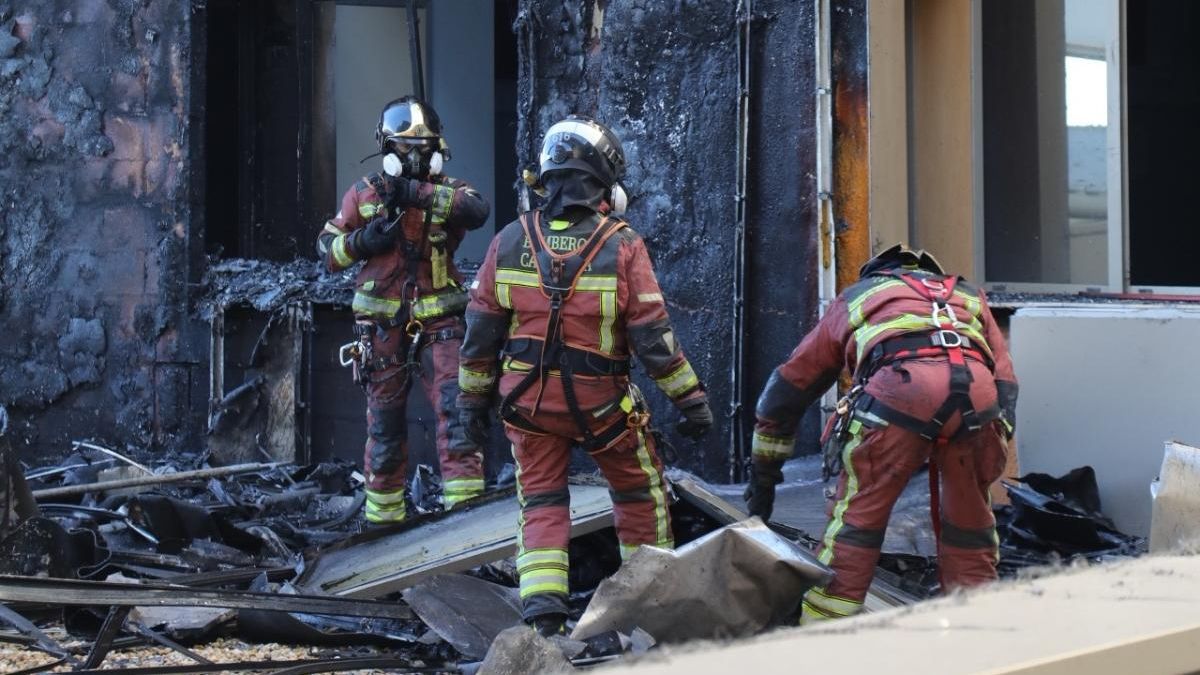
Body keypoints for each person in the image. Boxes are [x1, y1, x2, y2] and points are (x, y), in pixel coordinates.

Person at [456, 115, 714, 635]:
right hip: (603, 407)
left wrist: (469, 410)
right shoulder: (623, 245)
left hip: (526, 406)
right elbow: (654, 342)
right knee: (639, 491)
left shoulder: (509, 240)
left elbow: (479, 339)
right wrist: (692, 403)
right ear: (605, 184)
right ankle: (647, 605)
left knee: (541, 499)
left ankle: (543, 615)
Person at [747, 244, 1018, 623]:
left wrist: (763, 479)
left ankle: (824, 630)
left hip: (899, 392)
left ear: (878, 273)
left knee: (858, 524)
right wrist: (990, 447)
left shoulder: (858, 296)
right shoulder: (969, 296)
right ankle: (977, 630)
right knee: (970, 527)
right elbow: (1005, 381)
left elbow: (789, 388)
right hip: (978, 401)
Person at [317, 96, 490, 524]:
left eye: (423, 148)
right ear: (386, 147)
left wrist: (416, 193)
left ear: (438, 149)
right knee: (385, 427)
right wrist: (361, 242)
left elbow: (477, 211)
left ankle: (466, 524)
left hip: (441, 322)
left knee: (458, 416)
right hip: (380, 328)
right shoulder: (364, 194)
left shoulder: (450, 192)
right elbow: (327, 250)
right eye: (404, 148)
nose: (414, 157)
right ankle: (384, 523)